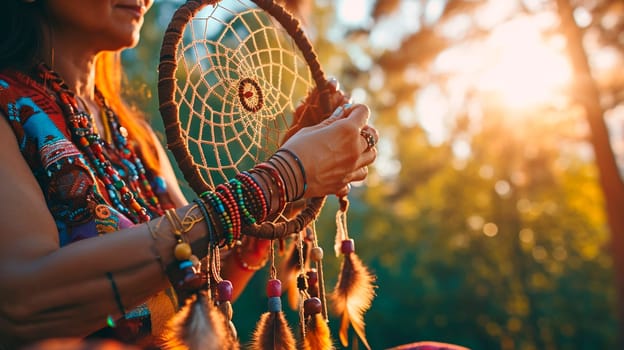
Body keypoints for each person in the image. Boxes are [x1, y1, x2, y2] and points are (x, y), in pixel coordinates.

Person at [0, 0, 378, 348]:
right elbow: (22, 303)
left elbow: (200, 280)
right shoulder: (10, 116)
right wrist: (280, 178)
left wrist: (288, 194)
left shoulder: (134, 138)